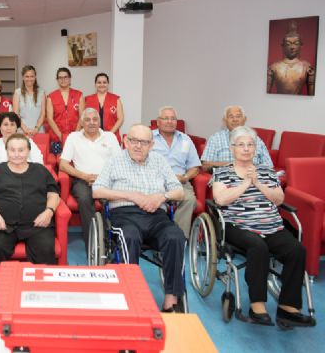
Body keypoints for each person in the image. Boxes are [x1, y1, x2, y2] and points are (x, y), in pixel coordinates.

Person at [212, 126, 315, 328]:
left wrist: (258, 183)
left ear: (256, 148)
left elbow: (279, 199)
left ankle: (288, 308)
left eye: (250, 144)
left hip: (271, 225)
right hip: (238, 225)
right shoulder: (222, 172)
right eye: (241, 144)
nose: (246, 148)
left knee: (296, 250)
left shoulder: (267, 172)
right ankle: (257, 306)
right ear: (232, 148)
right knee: (258, 247)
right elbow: (221, 199)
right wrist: (245, 183)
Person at [92, 124, 186, 312]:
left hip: (157, 214)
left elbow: (179, 191)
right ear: (126, 142)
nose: (138, 146)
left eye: (143, 142)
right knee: (130, 237)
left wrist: (162, 197)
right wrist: (131, 195)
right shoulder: (115, 161)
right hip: (125, 215)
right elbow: (97, 190)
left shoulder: (159, 161)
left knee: (176, 237)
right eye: (134, 140)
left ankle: (171, 299)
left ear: (151, 145)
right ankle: (130, 294)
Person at [0, 133, 60, 298]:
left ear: (28, 151)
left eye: (21, 150)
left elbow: (53, 194)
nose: (17, 154)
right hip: (4, 224)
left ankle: (46, 295)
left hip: (37, 224)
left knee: (46, 249)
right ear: (6, 151)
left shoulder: (40, 170)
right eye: (12, 150)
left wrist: (48, 212)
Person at [59, 108, 121, 247]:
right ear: (82, 122)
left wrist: (103, 177)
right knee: (84, 199)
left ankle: (110, 239)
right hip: (82, 179)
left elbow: (119, 162)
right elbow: (63, 164)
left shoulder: (110, 137)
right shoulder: (73, 137)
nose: (91, 123)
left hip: (106, 179)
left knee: (110, 200)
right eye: (87, 120)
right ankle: (93, 242)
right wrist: (84, 176)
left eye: (95, 119)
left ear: (100, 121)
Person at [151, 106, 201, 239]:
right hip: (154, 182)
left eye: (173, 118)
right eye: (165, 118)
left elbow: (195, 167)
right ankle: (156, 237)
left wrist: (185, 177)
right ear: (158, 122)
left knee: (189, 200)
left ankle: (177, 239)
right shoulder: (149, 138)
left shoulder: (185, 140)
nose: (169, 121)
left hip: (180, 182)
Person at [201, 106, 272, 172]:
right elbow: (205, 165)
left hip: (253, 177)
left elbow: (269, 165)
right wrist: (232, 165)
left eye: (238, 116)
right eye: (231, 117)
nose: (235, 120)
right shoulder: (215, 138)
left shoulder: (256, 139)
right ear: (224, 121)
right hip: (225, 178)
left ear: (244, 119)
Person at [267, 21, 316, 96]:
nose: (292, 47)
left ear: (301, 46)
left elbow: (312, 96)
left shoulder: (307, 67)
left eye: (296, 43)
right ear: (282, 46)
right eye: (288, 44)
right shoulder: (274, 67)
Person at [46, 67, 84, 153]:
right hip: (56, 138)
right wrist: (61, 136)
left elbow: (82, 117)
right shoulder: (51, 97)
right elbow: (50, 119)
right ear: (57, 80)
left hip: (76, 137)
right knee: (58, 163)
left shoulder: (79, 95)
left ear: (70, 79)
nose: (63, 80)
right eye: (60, 77)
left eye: (65, 77)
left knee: (75, 163)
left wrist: (75, 135)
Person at [84, 72, 124, 143]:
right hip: (92, 138)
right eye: (99, 82)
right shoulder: (87, 100)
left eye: (104, 82)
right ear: (95, 84)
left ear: (108, 84)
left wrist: (110, 134)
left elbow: (120, 118)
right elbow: (84, 119)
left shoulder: (116, 99)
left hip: (112, 136)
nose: (102, 84)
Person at [13, 65, 46, 136]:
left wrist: (36, 128)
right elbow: (16, 114)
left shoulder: (41, 92)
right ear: (23, 77)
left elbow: (43, 113)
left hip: (38, 131)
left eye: (32, 76)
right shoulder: (17, 93)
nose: (29, 79)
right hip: (22, 132)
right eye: (27, 76)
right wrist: (25, 129)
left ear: (35, 77)